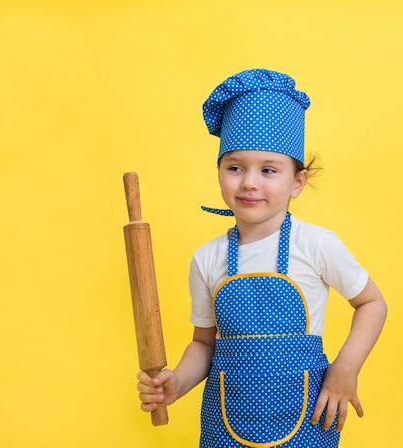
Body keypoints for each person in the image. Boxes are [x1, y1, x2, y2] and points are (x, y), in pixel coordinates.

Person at [137, 68, 387, 447]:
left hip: (307, 418)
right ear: (219, 173)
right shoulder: (207, 259)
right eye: (235, 167)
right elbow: (205, 344)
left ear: (297, 182)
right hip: (226, 421)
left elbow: (371, 303)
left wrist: (345, 369)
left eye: (268, 170)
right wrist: (177, 383)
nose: (250, 182)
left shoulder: (316, 244)